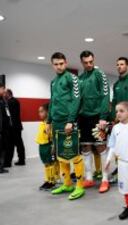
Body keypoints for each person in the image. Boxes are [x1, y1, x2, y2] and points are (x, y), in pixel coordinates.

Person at [47, 52, 85, 200]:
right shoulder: (53, 81)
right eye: (56, 64)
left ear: (66, 63)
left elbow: (76, 100)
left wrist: (71, 120)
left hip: (68, 122)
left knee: (74, 154)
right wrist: (49, 121)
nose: (59, 66)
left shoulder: (72, 78)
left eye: (61, 63)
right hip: (56, 122)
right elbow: (52, 101)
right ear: (52, 65)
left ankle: (80, 186)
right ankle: (67, 184)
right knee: (61, 156)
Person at [77, 50, 111, 193]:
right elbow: (78, 99)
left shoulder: (100, 74)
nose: (89, 64)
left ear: (94, 59)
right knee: (85, 147)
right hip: (83, 117)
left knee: (100, 147)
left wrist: (103, 116)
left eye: (91, 61)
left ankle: (105, 179)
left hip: (98, 116)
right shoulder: (80, 78)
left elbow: (105, 95)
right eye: (86, 62)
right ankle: (89, 178)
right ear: (82, 62)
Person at [36, 103, 59, 191]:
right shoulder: (42, 123)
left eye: (42, 111)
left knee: (51, 163)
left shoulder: (51, 124)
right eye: (39, 112)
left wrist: (53, 146)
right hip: (42, 146)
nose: (40, 114)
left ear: (48, 112)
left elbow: (53, 136)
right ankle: (47, 180)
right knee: (46, 163)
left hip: (48, 146)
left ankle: (52, 181)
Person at [4, 89, 26, 167]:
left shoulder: (11, 102)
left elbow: (10, 115)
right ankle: (21, 160)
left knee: (11, 145)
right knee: (18, 144)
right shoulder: (15, 101)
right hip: (16, 126)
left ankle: (8, 162)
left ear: (8, 94)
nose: (3, 95)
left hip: (13, 127)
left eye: (4, 94)